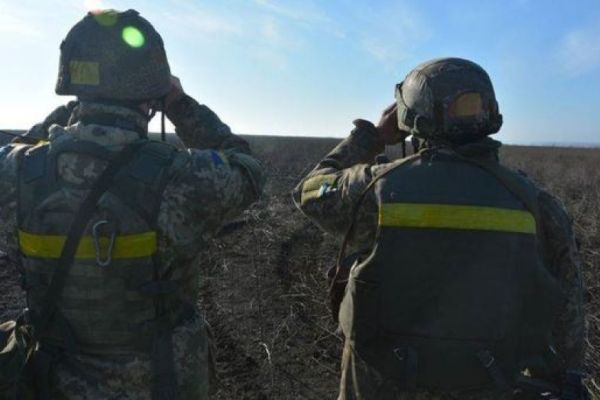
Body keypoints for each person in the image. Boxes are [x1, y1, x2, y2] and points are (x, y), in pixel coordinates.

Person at [0, 9, 264, 399]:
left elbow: (23, 145)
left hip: (51, 382)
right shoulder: (184, 178)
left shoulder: (15, 172)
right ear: (153, 92)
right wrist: (180, 104)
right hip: (159, 384)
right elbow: (247, 168)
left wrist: (75, 109)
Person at [293, 58, 587, 400]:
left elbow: (308, 191)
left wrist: (372, 137)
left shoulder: (376, 188)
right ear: (490, 115)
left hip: (381, 382)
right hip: (490, 383)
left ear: (412, 118)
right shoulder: (537, 204)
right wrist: (564, 377)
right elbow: (568, 310)